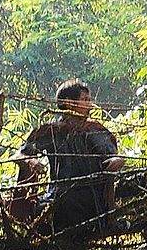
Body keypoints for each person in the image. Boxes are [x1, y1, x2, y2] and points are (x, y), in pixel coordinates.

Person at [16, 80, 121, 241]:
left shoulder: (94, 130)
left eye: (89, 100)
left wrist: (116, 161)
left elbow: (113, 156)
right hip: (58, 194)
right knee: (44, 212)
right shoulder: (52, 131)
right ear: (68, 103)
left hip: (90, 197)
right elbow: (21, 154)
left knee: (72, 207)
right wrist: (32, 162)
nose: (90, 105)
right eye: (85, 100)